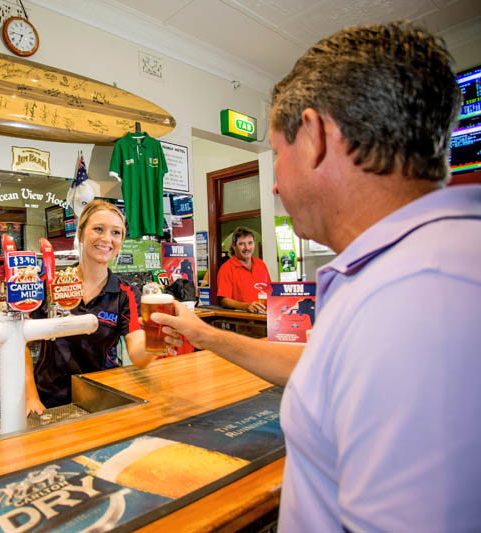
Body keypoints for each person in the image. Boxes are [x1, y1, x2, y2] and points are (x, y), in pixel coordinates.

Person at [152, 22, 481, 532]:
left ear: (316, 136)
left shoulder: (420, 299)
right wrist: (204, 334)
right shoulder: (401, 270)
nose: (277, 184)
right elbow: (325, 370)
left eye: (279, 153)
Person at [25, 200, 152, 413]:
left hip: (102, 396)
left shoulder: (126, 293)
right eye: (98, 229)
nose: (107, 239)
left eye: (116, 233)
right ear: (81, 234)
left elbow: (138, 354)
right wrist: (30, 397)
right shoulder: (50, 285)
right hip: (49, 399)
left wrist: (157, 341)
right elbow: (22, 343)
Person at [216, 227, 271, 312]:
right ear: (233, 246)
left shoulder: (260, 264)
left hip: (265, 319)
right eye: (242, 244)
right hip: (243, 321)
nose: (247, 248)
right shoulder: (226, 268)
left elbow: (270, 291)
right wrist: (246, 306)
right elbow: (224, 301)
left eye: (250, 243)